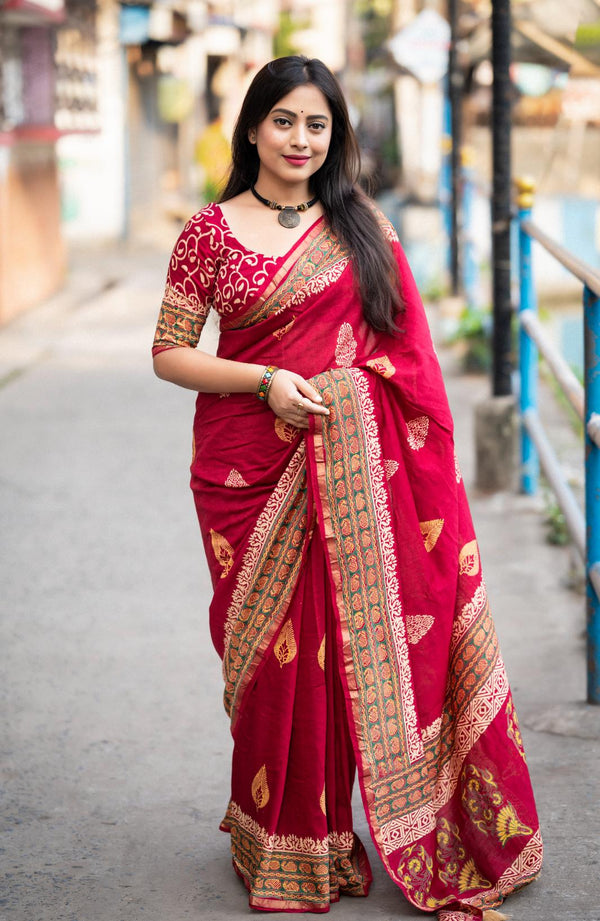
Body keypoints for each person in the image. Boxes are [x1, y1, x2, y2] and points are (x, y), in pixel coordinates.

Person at [152, 55, 542, 920]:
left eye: (317, 124)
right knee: (264, 660)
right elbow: (170, 351)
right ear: (251, 127)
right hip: (243, 466)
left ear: (336, 136)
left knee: (335, 657)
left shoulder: (361, 226)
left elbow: (411, 366)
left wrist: (347, 395)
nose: (300, 138)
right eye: (283, 120)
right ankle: (276, 833)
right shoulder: (208, 233)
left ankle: (333, 836)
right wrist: (262, 381)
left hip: (349, 460)